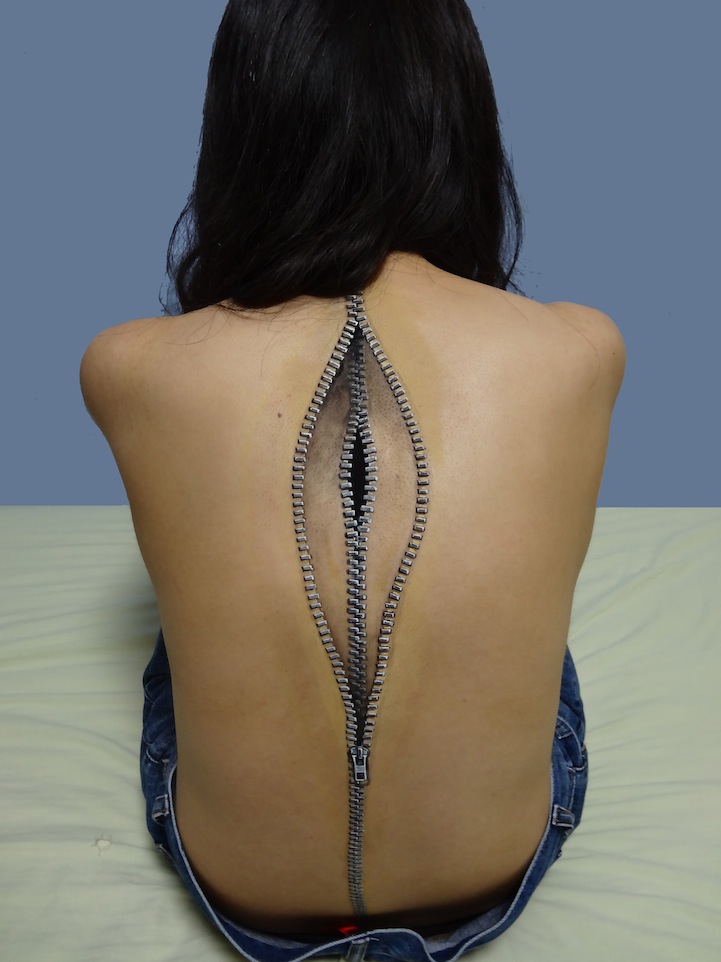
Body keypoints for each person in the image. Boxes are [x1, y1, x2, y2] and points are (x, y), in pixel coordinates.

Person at [80, 1, 625, 959]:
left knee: (187, 621)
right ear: (457, 121)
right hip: (490, 870)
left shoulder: (126, 366)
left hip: (239, 889)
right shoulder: (581, 349)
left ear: (243, 129)